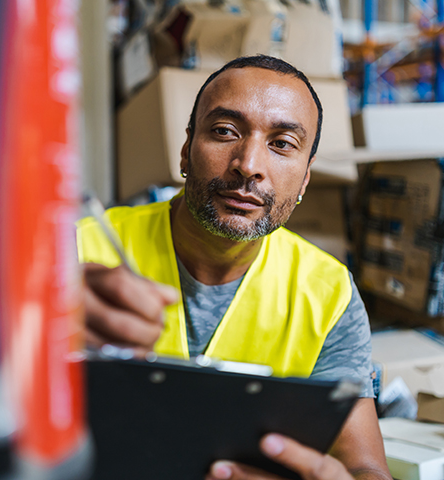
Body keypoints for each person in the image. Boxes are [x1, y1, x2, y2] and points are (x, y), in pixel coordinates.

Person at [78, 55, 391, 480]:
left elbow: (367, 469)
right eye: (225, 131)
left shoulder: (328, 293)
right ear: (186, 150)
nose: (249, 165)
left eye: (281, 143)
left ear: (304, 181)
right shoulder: (75, 251)